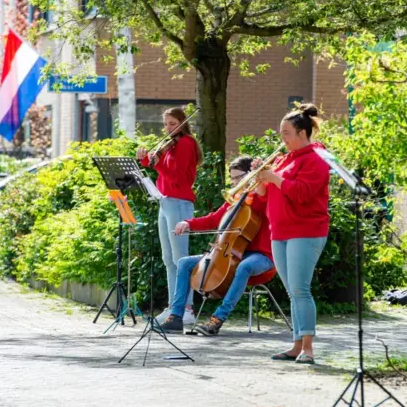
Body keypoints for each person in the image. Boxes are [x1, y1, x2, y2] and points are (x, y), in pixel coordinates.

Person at [158, 156, 274, 335]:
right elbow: (214, 219)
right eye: (233, 178)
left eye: (238, 177)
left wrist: (259, 179)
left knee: (244, 266)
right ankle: (176, 317)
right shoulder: (235, 198)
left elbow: (264, 197)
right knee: (184, 263)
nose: (235, 182)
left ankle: (218, 319)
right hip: (231, 253)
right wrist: (189, 223)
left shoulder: (261, 196)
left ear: (251, 175)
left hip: (261, 256)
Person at [254, 103, 331, 365]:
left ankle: (308, 348)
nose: (282, 139)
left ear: (302, 133)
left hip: (306, 230)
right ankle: (297, 345)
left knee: (300, 290)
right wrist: (261, 180)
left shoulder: (316, 158)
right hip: (281, 230)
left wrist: (275, 178)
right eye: (281, 133)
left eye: (286, 133)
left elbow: (301, 194)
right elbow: (264, 196)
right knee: (292, 292)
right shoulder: (284, 159)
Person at [137, 107, 204, 325]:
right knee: (169, 259)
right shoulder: (170, 144)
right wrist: (146, 160)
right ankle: (172, 307)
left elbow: (175, 176)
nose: (168, 128)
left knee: (180, 258)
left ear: (183, 123)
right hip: (165, 201)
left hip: (179, 201)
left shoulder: (185, 144)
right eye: (165, 124)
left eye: (172, 124)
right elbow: (161, 169)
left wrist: (157, 163)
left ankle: (186, 308)